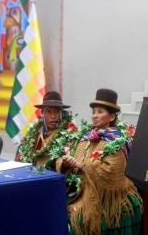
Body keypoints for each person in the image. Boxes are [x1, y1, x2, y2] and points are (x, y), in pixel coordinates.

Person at [56, 88, 142, 235]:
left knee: (82, 218)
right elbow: (68, 156)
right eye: (93, 112)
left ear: (112, 116)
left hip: (107, 195)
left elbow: (112, 172)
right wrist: (65, 162)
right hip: (82, 189)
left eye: (100, 112)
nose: (94, 116)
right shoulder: (85, 136)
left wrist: (82, 165)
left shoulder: (118, 140)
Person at [15, 91, 76, 168]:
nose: (53, 116)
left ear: (61, 113)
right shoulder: (35, 131)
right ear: (42, 113)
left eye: (56, 112)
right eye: (49, 111)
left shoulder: (69, 132)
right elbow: (21, 156)